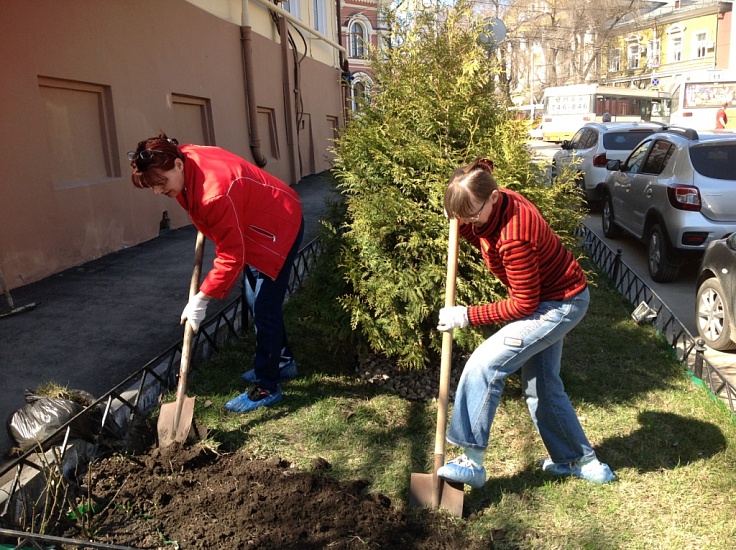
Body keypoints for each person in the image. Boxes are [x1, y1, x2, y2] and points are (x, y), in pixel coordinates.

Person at [435, 157, 615, 488]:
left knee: (484, 365)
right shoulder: (495, 198)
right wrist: (462, 218)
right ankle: (581, 462)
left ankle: (471, 460)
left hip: (559, 304)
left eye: (472, 213)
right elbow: (484, 233)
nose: (468, 222)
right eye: (462, 215)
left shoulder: (516, 234)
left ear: (492, 197)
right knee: (542, 386)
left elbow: (523, 304)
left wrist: (466, 315)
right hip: (552, 297)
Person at [129, 133, 304, 413]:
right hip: (254, 219)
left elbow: (231, 256)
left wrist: (202, 298)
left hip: (277, 228)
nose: (158, 191)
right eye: (152, 186)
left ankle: (267, 386)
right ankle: (282, 362)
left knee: (264, 307)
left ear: (177, 165)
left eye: (160, 183)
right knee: (253, 299)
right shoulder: (184, 157)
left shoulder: (214, 193)